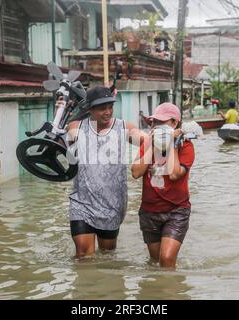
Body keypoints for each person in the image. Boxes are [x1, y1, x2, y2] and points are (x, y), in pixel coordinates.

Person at [56, 86, 146, 258]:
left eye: (110, 107)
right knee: (83, 254)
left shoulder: (123, 127)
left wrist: (167, 138)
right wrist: (59, 112)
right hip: (81, 202)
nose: (108, 112)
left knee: (107, 255)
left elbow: (146, 141)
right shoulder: (77, 126)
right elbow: (60, 143)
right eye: (102, 108)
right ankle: (85, 284)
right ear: (90, 109)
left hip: (112, 204)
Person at [131, 103, 195, 269]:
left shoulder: (186, 146)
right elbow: (136, 173)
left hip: (176, 211)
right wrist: (152, 144)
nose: (155, 126)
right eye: (154, 123)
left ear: (174, 123)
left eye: (161, 122)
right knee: (155, 262)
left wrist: (172, 143)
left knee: (166, 260)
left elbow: (174, 174)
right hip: (150, 211)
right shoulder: (148, 143)